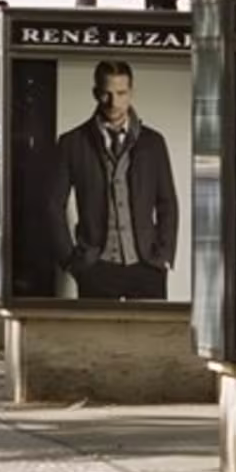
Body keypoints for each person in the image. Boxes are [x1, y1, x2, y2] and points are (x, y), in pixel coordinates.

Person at [58, 60, 176, 300]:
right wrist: (70, 260)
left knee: (152, 337)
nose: (114, 102)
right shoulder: (72, 142)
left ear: (131, 93)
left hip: (147, 266)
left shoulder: (153, 143)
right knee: (97, 338)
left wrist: (163, 255)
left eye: (121, 93)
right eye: (106, 93)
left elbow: (167, 203)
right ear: (95, 93)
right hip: (96, 267)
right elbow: (52, 205)